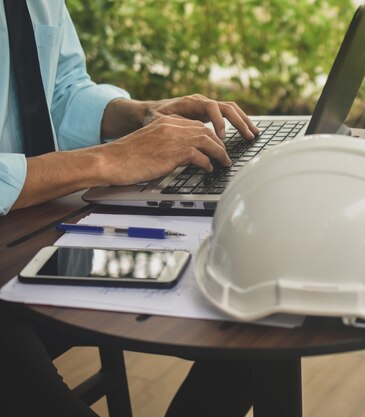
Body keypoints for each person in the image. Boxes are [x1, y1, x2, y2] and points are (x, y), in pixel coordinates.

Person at [0, 1, 258, 415]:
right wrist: (109, 159)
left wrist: (143, 116)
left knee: (254, 312)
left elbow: (62, 90)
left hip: (35, 228)